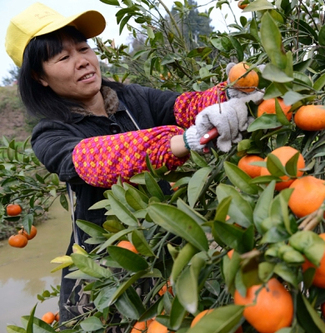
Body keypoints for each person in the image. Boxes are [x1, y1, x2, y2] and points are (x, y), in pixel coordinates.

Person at [5, 2, 263, 328]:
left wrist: (231, 92)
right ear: (39, 76)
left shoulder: (132, 98)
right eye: (63, 57)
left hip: (170, 249)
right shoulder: (51, 133)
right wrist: (185, 140)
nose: (82, 61)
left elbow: (184, 105)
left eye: (83, 48)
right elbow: (96, 159)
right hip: (106, 274)